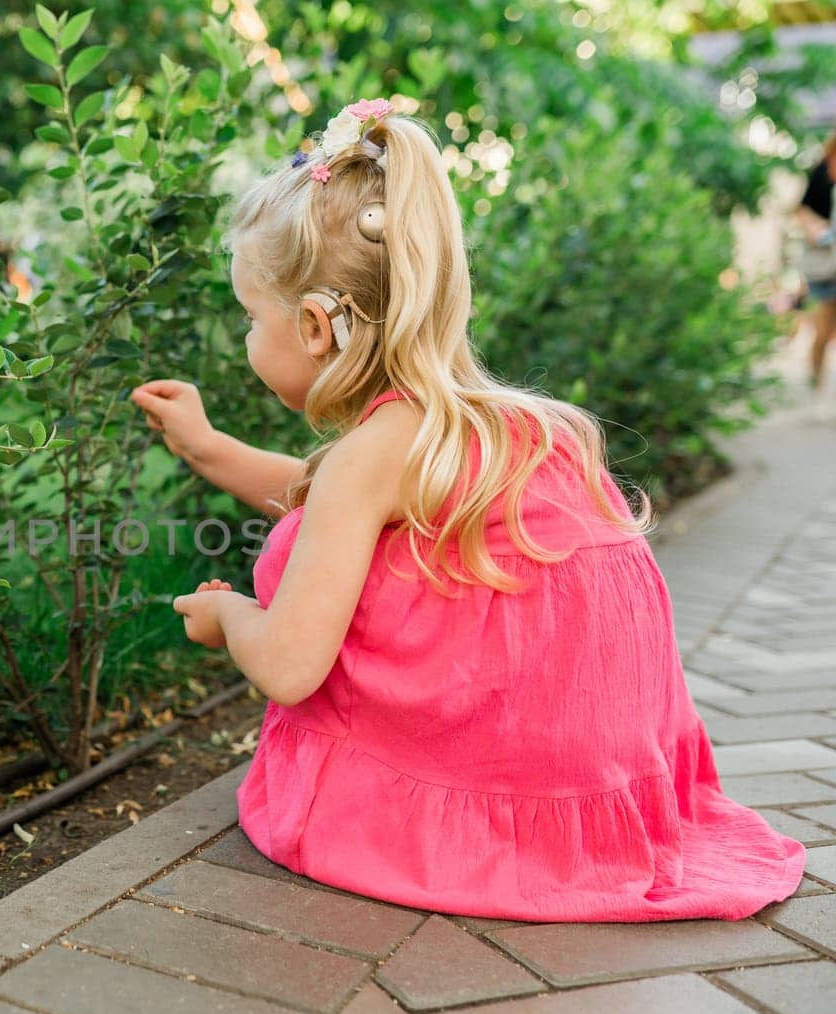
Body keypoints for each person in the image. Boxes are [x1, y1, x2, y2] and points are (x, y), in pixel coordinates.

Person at [129, 98, 805, 922]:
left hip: (475, 809)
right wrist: (207, 447)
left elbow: (288, 664)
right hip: (595, 800)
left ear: (313, 325)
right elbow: (338, 512)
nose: (244, 335)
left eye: (249, 317)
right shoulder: (502, 424)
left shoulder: (375, 454)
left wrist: (230, 614)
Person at [796, 132, 836, 392]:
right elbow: (802, 210)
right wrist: (819, 230)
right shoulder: (821, 171)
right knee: (823, 332)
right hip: (826, 265)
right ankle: (816, 383)